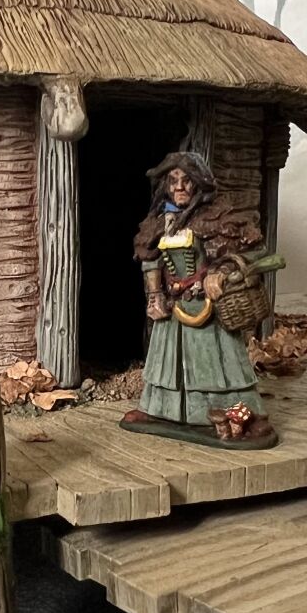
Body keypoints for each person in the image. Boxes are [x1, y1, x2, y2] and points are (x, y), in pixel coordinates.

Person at [119, 151, 278, 448]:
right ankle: (160, 411)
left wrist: (221, 271)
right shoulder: (159, 220)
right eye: (173, 181)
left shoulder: (219, 216)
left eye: (187, 181)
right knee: (167, 365)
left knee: (220, 366)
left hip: (208, 309)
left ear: (199, 184)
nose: (180, 187)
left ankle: (245, 416)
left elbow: (253, 252)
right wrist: (155, 295)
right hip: (172, 309)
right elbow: (149, 258)